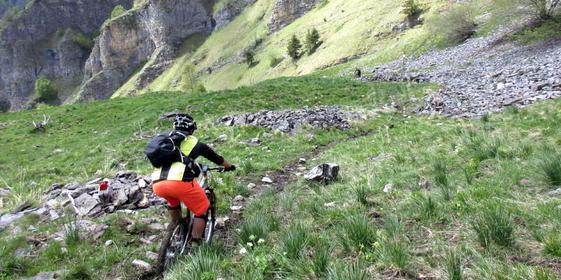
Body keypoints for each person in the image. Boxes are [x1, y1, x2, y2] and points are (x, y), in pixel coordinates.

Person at [151, 114, 235, 244]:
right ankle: (195, 244)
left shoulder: (166, 142)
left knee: (173, 202)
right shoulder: (196, 143)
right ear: (192, 130)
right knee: (202, 208)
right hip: (179, 183)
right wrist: (229, 166)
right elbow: (217, 158)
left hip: (158, 183)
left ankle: (178, 227)